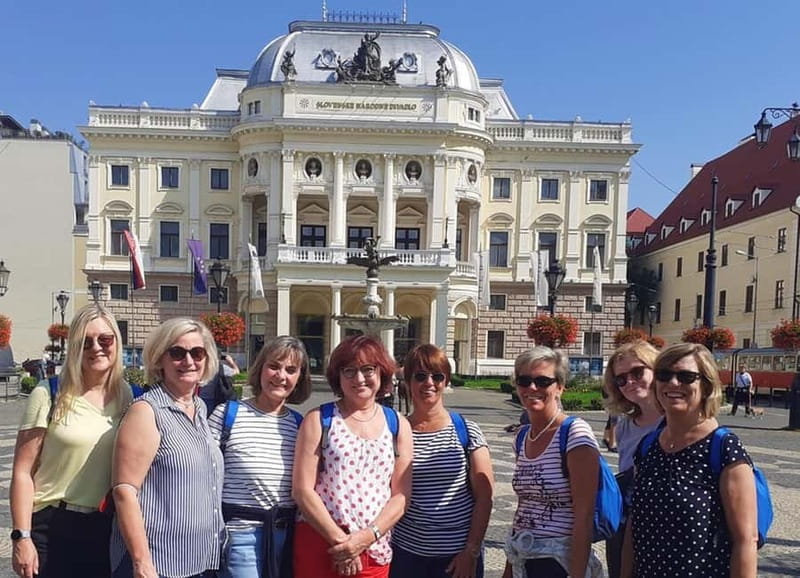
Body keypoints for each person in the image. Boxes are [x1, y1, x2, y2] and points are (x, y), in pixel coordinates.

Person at [10, 304, 131, 578]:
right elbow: (22, 472)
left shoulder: (130, 398)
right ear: (74, 347)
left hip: (106, 527)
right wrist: (21, 536)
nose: (96, 347)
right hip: (53, 524)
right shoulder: (50, 393)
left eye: (105, 339)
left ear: (116, 342)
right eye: (85, 342)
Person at [622, 342, 758, 578]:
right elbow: (634, 528)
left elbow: (746, 540)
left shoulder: (723, 448)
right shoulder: (648, 446)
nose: (673, 383)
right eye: (664, 375)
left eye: (686, 376)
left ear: (705, 386)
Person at [110, 318, 224, 578]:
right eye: (177, 352)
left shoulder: (199, 408)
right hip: (158, 561)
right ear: (159, 359)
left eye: (197, 353)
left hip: (198, 559)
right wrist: (141, 561)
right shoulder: (147, 411)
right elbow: (124, 491)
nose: (188, 361)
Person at [292, 334, 413, 578]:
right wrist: (344, 544)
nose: (359, 379)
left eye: (368, 369)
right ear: (338, 376)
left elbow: (401, 495)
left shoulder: (397, 424)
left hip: (373, 546)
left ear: (382, 373)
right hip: (321, 542)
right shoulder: (319, 419)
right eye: (349, 370)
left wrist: (364, 539)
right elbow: (302, 490)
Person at [208, 336, 312, 578]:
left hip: (287, 537)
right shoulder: (227, 415)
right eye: (274, 366)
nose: (281, 376)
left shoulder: (300, 425)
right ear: (261, 368)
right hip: (240, 536)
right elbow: (205, 478)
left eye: (291, 370)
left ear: (299, 378)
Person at [390, 344, 494, 578]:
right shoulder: (396, 432)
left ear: (445, 381)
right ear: (408, 381)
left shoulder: (466, 430)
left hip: (456, 557)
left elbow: (485, 497)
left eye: (437, 376)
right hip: (406, 554)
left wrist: (471, 551)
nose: (429, 383)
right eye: (420, 376)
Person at [503, 346, 604, 578]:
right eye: (524, 380)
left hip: (560, 562)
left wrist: (576, 574)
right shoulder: (522, 437)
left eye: (542, 381)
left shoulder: (575, 433)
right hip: (524, 557)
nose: (532, 388)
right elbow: (524, 507)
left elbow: (584, 514)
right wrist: (510, 567)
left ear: (559, 386)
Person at [602, 341, 662, 578]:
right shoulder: (626, 423)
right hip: (627, 524)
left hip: (665, 526)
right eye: (621, 379)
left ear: (656, 370)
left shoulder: (676, 421)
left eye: (637, 372)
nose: (629, 382)